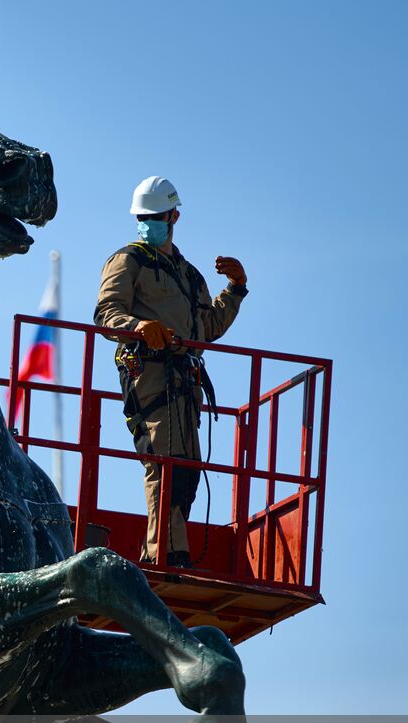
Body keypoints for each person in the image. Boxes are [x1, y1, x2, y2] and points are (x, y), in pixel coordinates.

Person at [93, 176, 248, 567]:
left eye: (155, 216)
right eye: (141, 217)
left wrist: (236, 288)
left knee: (186, 472)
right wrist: (137, 327)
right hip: (145, 371)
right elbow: (106, 314)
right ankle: (165, 554)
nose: (147, 223)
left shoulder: (188, 275)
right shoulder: (127, 261)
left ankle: (164, 550)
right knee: (162, 463)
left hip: (185, 380)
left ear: (173, 216)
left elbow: (206, 327)